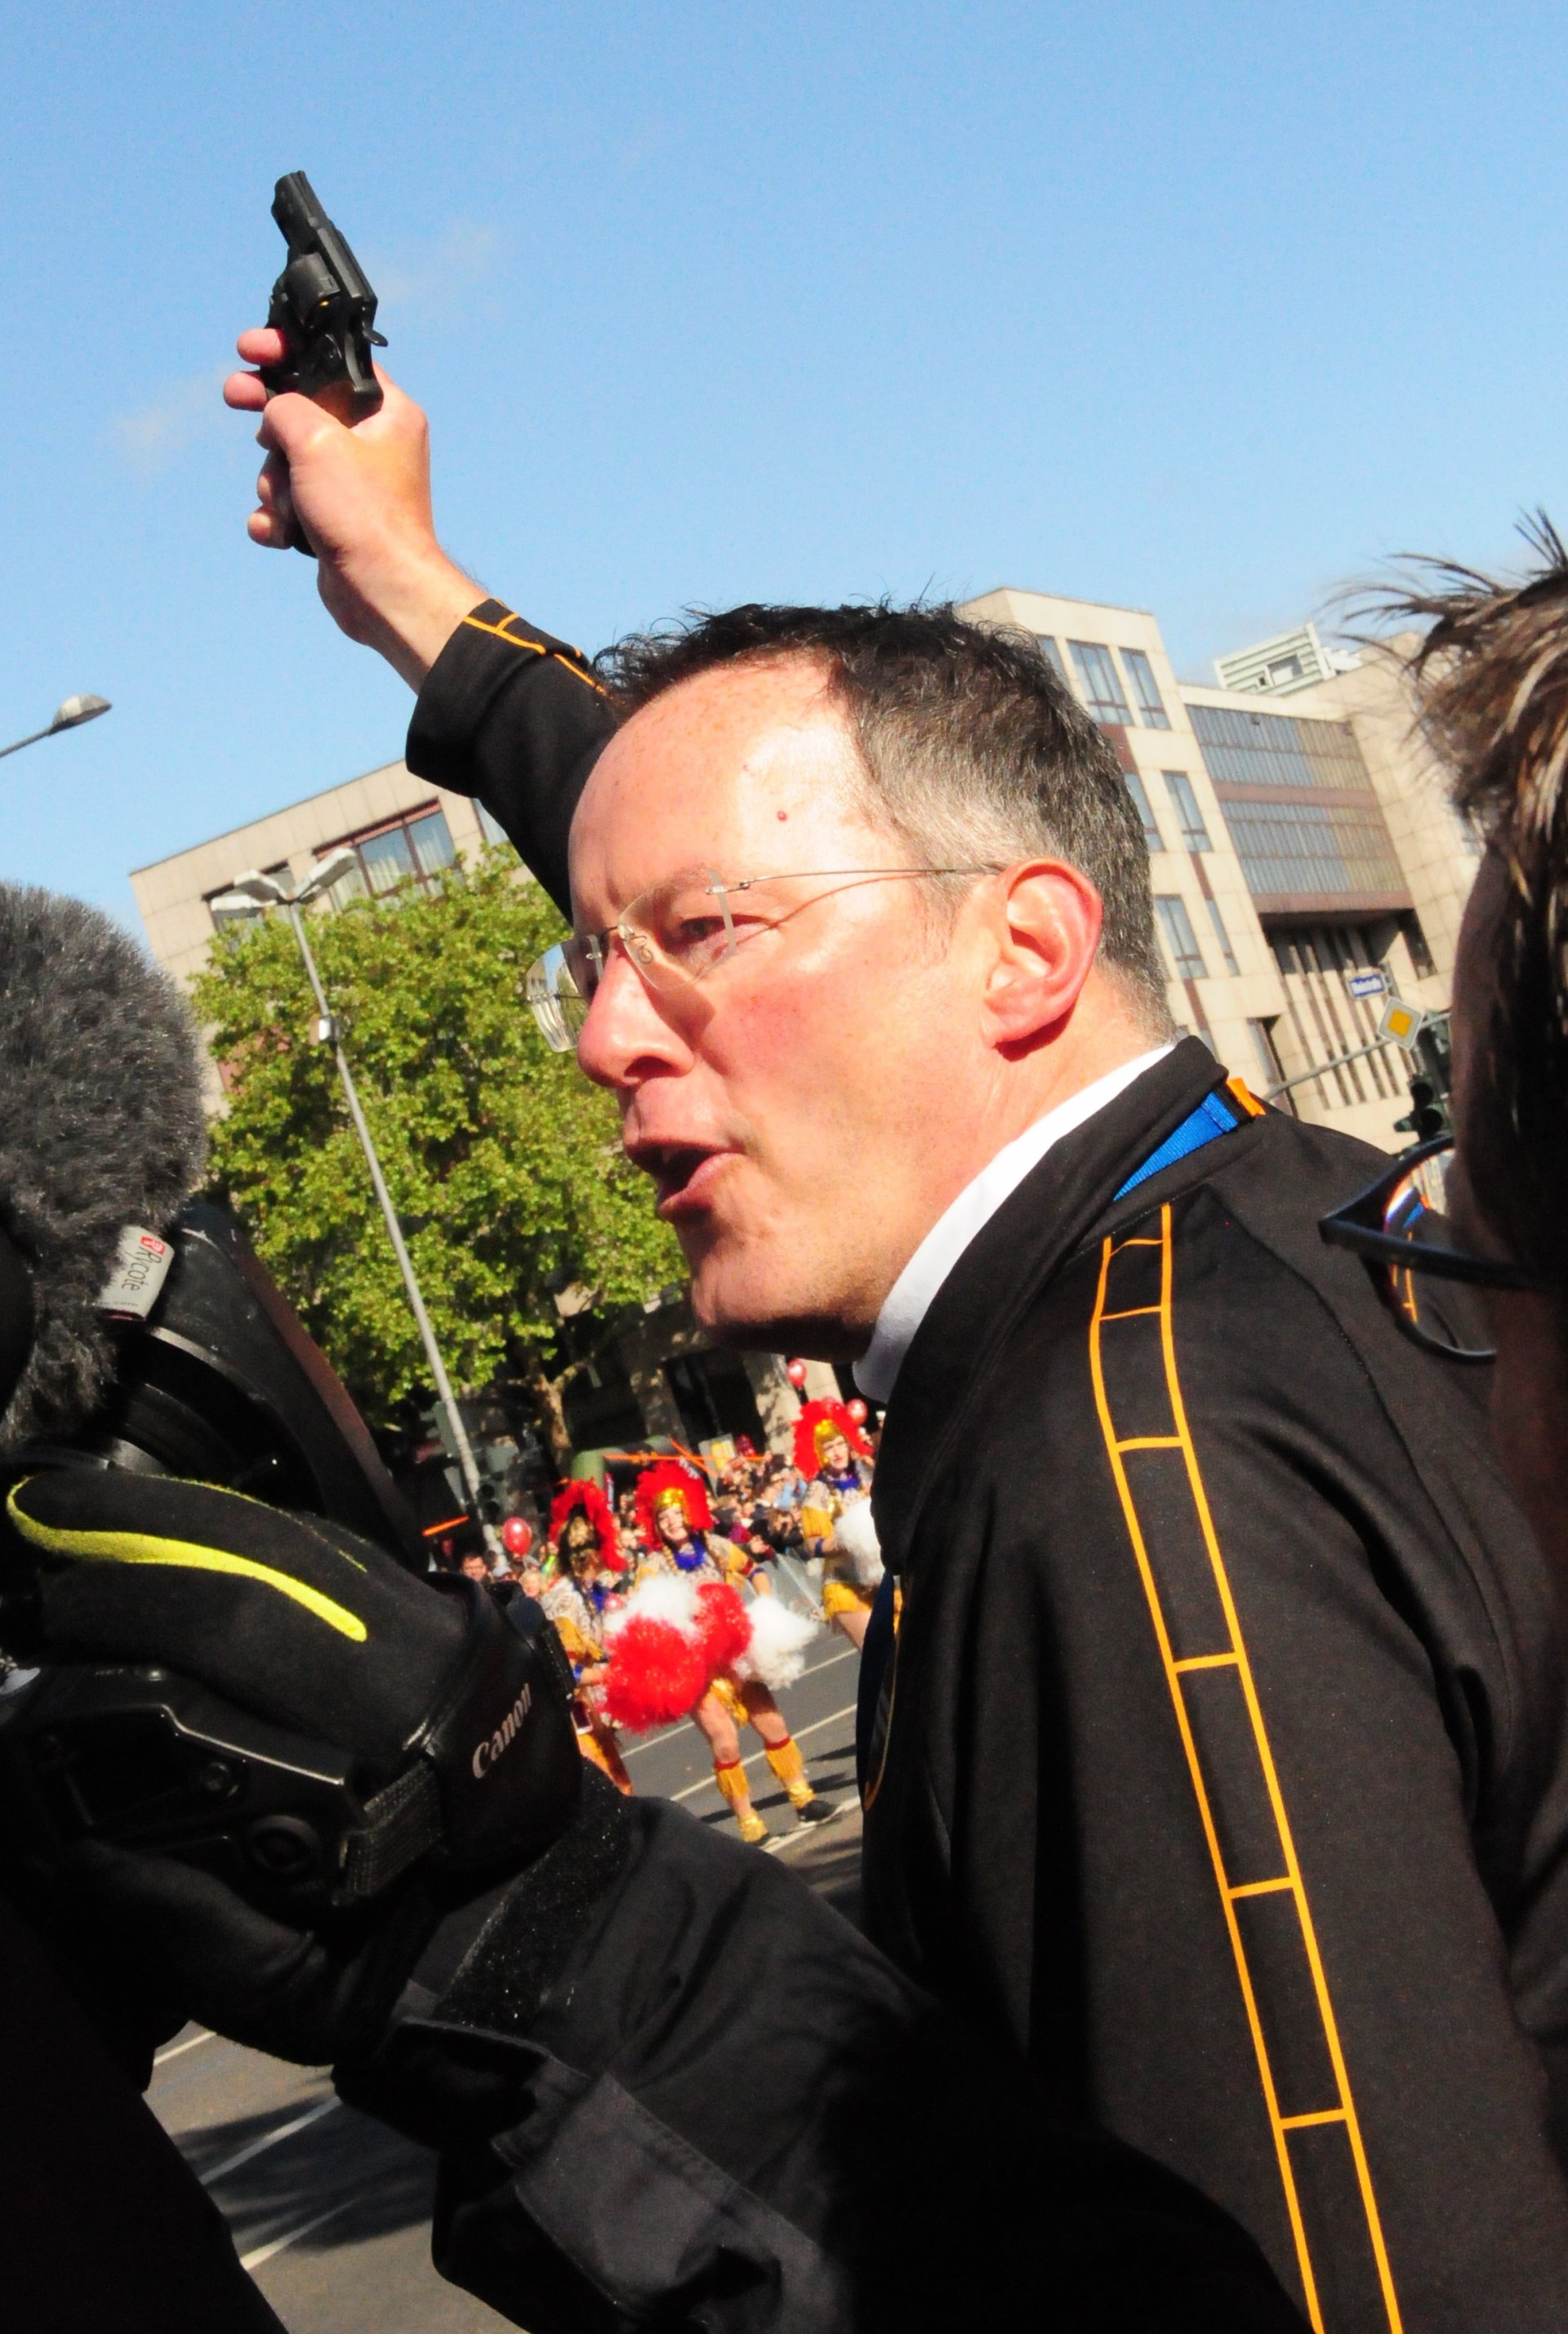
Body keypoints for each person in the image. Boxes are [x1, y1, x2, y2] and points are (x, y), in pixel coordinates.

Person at [193, 335, 1568, 2329]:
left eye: (698, 941)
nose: (600, 1031)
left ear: (1026, 948)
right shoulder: (1253, 1212)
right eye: (591, 959)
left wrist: (570, 1973)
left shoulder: (1118, 1461)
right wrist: (416, 590)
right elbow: (737, 830)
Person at [631, 1458, 833, 1839]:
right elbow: (648, 1619)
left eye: (677, 1513)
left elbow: (754, 1570)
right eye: (664, 1518)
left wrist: (764, 1606)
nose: (673, 1521)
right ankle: (748, 1822)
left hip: (737, 1655)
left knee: (771, 1722)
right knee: (725, 1741)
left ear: (689, 1513)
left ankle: (803, 1798)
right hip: (697, 1668)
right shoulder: (653, 1567)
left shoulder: (716, 1547)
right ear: (656, 1527)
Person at [539, 1482, 634, 1795]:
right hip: (564, 1711)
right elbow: (564, 1670)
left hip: (588, 1704)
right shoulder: (564, 1599)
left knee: (619, 1778)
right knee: (602, 1784)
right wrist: (608, 1675)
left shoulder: (591, 1592)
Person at [796, 1398, 880, 1650]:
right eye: (829, 1447)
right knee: (883, 1657)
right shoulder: (817, 1492)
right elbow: (813, 1546)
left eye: (839, 1443)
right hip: (846, 1585)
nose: (837, 1451)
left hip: (881, 1577)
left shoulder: (865, 1471)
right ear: (819, 1453)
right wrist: (847, 1539)